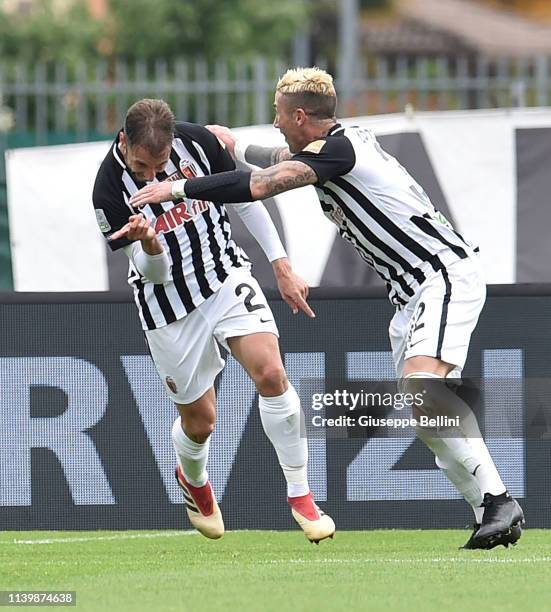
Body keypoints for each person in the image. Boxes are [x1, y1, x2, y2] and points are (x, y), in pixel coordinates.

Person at [129, 70, 525, 550]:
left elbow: (262, 184)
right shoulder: (331, 145)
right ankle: (487, 512)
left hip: (442, 274)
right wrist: (233, 146)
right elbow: (274, 158)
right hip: (410, 294)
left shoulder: (340, 150)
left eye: (278, 114)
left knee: (425, 390)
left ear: (298, 115)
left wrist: (175, 190)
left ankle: (500, 501)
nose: (275, 124)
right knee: (426, 414)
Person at [92, 98, 335, 544]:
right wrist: (148, 244)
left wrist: (280, 264)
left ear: (173, 144)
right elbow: (153, 274)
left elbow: (245, 200)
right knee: (201, 422)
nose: (151, 174)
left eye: (160, 163)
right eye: (142, 166)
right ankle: (195, 480)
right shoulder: (108, 190)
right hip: (167, 304)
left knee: (272, 373)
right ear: (124, 141)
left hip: (225, 275)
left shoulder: (200, 142)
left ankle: (301, 496)